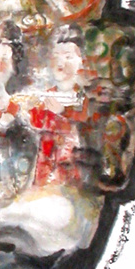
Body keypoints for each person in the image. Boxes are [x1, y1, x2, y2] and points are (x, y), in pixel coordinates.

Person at [28, 28, 89, 187]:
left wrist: (62, 112)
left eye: (68, 57)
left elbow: (84, 123)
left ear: (81, 61)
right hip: (45, 160)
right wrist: (30, 110)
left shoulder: (82, 96)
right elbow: (36, 123)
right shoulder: (47, 94)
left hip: (71, 161)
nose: (61, 63)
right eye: (56, 56)